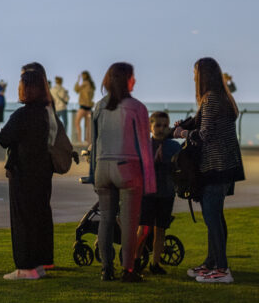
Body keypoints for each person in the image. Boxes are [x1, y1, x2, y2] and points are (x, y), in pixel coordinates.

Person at [175, 58, 245, 284]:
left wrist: (181, 134)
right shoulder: (222, 97)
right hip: (225, 165)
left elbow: (204, 135)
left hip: (216, 165)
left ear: (203, 75)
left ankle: (222, 269)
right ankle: (212, 262)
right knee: (215, 216)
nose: (193, 77)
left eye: (195, 72)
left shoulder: (212, 98)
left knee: (212, 216)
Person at [90, 63, 155, 282]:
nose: (135, 80)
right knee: (129, 223)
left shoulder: (99, 106)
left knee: (106, 220)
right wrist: (151, 182)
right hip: (128, 168)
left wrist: (93, 173)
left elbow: (94, 143)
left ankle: (106, 269)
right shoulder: (137, 107)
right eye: (133, 77)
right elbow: (145, 147)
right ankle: (128, 270)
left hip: (102, 167)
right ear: (126, 79)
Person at [0, 68, 54, 280]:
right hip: (42, 171)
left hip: (23, 171)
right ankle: (38, 264)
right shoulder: (44, 113)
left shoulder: (22, 115)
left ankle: (25, 266)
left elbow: (4, 138)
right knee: (38, 216)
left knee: (22, 219)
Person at [138, 111, 181, 276]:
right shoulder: (144, 145)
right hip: (147, 193)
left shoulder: (174, 146)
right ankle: (135, 259)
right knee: (144, 228)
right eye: (158, 125)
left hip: (166, 193)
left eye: (165, 126)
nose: (161, 129)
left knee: (161, 229)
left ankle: (155, 262)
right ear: (150, 126)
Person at [74, 71, 95, 145]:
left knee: (77, 123)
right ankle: (88, 141)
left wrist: (78, 80)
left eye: (83, 76)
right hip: (89, 108)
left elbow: (76, 89)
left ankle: (80, 140)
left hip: (83, 107)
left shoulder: (84, 83)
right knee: (88, 125)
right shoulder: (91, 85)